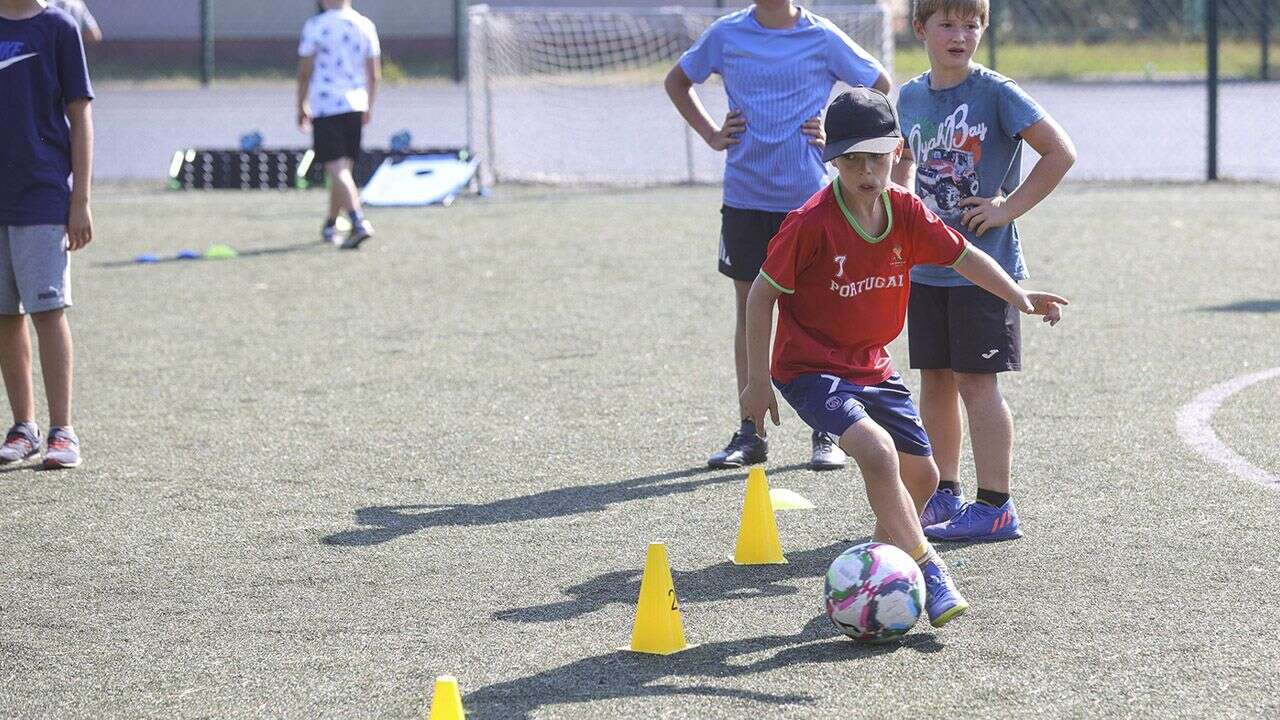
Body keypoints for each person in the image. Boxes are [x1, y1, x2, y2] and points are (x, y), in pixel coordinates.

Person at [740, 88, 1069, 627]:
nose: (866, 170)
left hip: (872, 365)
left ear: (898, 150)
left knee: (923, 478)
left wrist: (1020, 298)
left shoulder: (906, 210)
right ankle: (929, 569)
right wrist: (755, 383)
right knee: (876, 451)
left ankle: (872, 571)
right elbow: (760, 295)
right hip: (811, 369)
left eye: (876, 155)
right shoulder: (809, 223)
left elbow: (966, 257)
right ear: (834, 160)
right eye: (851, 159)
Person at [664, 0, 891, 471]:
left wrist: (837, 130)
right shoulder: (727, 34)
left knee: (819, 314)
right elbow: (677, 81)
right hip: (746, 197)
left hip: (808, 203)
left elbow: (880, 85)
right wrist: (711, 133)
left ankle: (826, 430)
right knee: (750, 307)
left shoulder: (822, 35)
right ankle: (751, 432)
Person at [892, 0, 1077, 541]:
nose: (960, 34)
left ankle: (995, 504)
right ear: (921, 29)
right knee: (936, 382)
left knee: (977, 383)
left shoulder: (996, 92)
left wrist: (1005, 208)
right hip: (927, 269)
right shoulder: (909, 96)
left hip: (984, 270)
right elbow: (905, 159)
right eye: (947, 24)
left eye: (971, 24)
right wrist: (902, 198)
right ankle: (941, 494)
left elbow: (1059, 153)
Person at [0, 0, 95, 468]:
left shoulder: (59, 26)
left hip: (41, 194)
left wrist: (79, 200)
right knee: (3, 313)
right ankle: (24, 426)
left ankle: (63, 429)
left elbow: (80, 116)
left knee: (47, 309)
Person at [296, 0, 381, 249]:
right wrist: (370, 105)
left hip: (326, 105)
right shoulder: (365, 25)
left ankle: (358, 221)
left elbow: (304, 71)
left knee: (337, 169)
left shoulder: (316, 26)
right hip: (355, 104)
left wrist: (301, 104)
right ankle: (331, 223)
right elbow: (374, 74)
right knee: (343, 170)